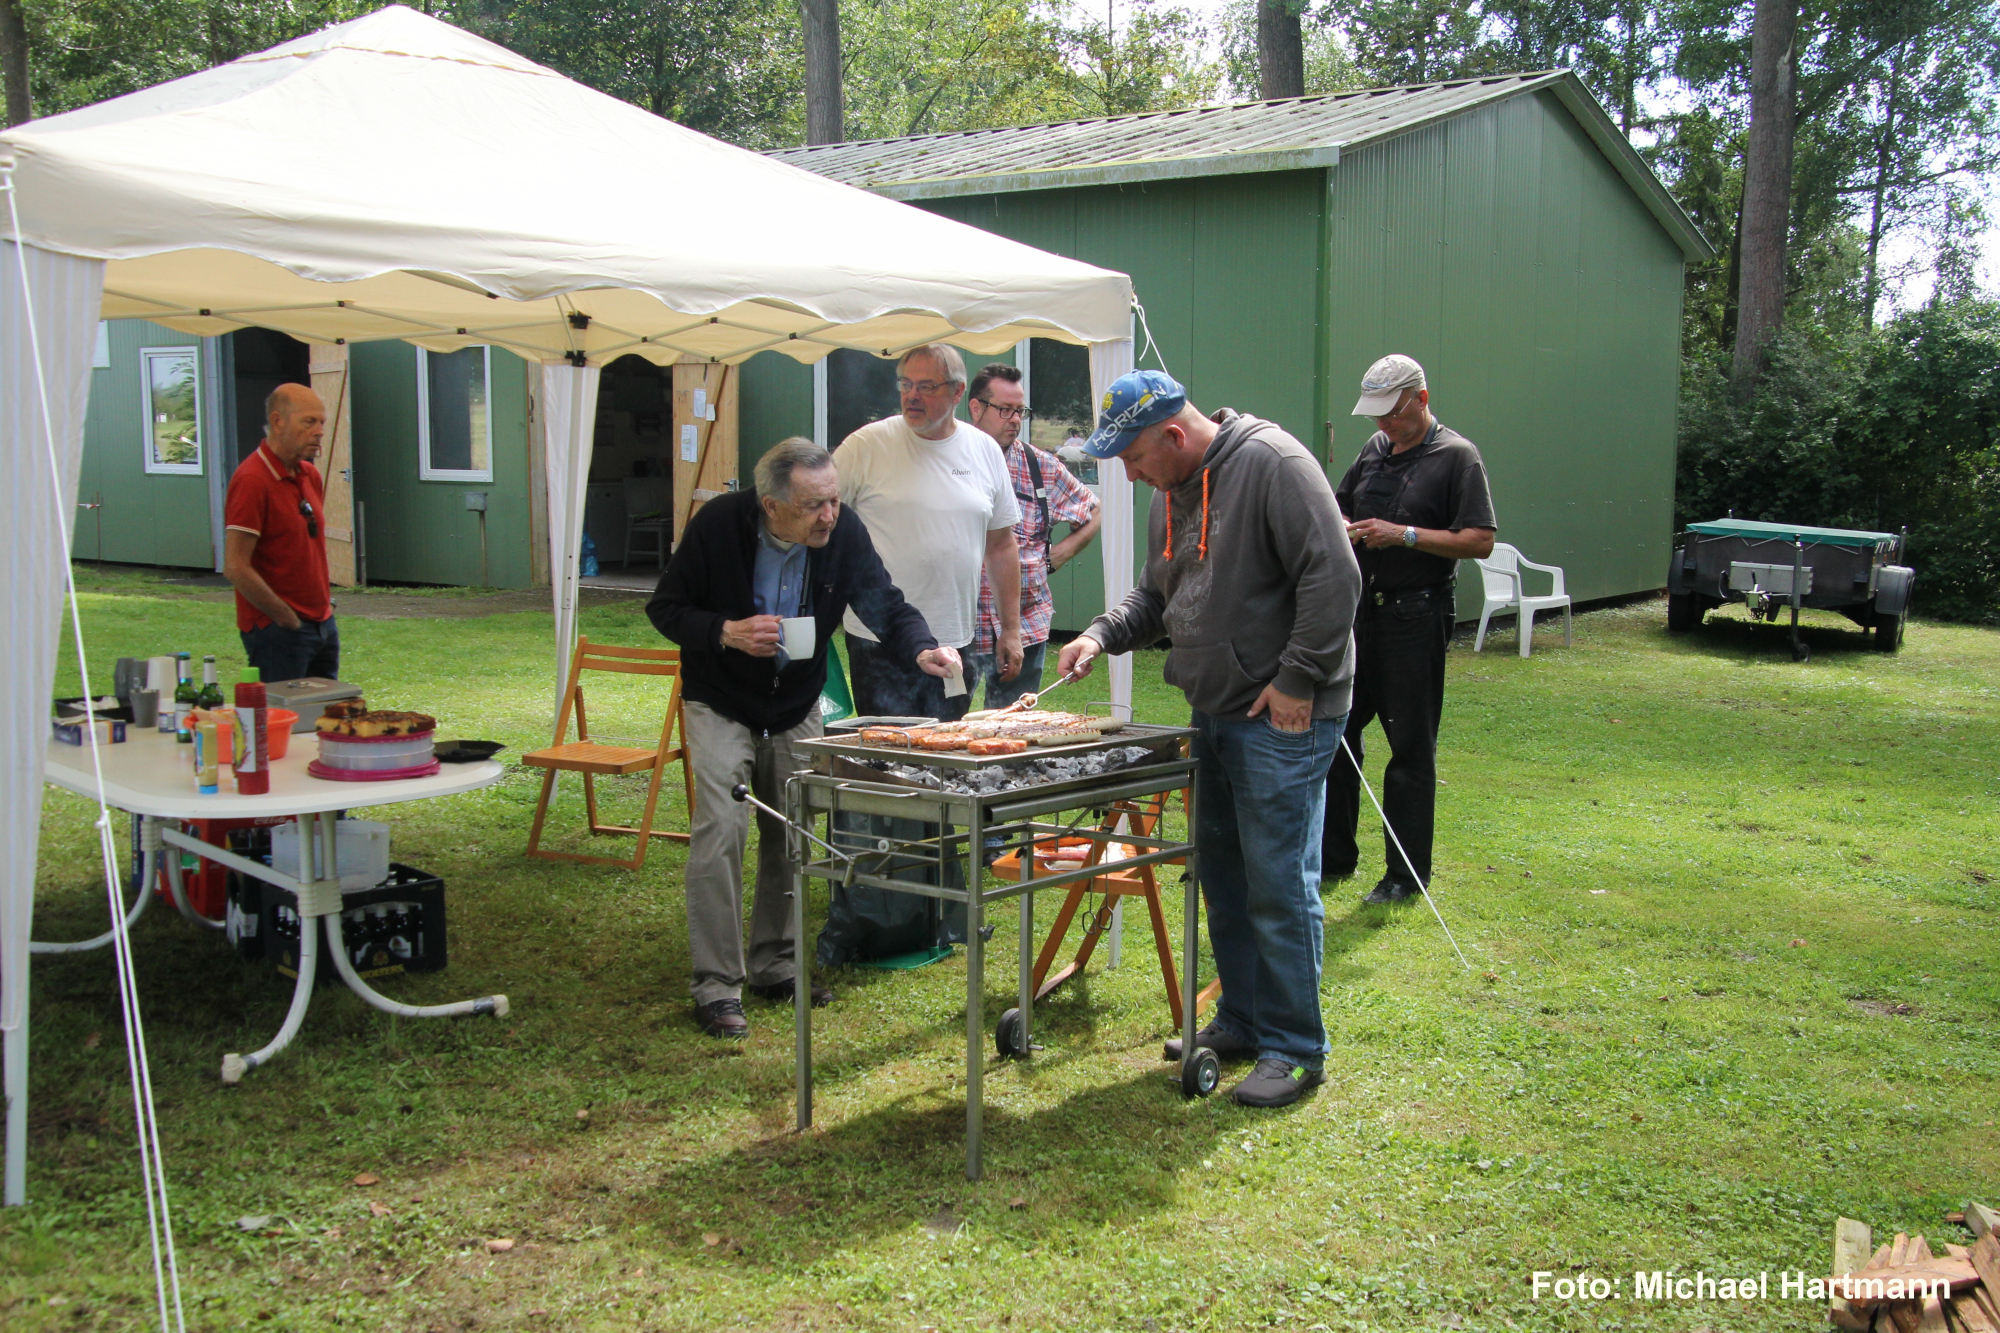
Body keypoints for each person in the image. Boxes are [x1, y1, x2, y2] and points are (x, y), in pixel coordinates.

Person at [1057, 370, 1362, 1108]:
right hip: (1214, 710)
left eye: (1133, 458)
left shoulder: (1274, 464)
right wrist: (1101, 634)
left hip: (1282, 716)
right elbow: (1157, 594)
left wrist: (1297, 678)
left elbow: (1334, 577)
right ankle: (1244, 1020)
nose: (1130, 475)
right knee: (1223, 878)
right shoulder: (1171, 487)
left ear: (1172, 434)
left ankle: (1296, 1049)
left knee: (1279, 885)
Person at [646, 438, 959, 1039]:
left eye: (834, 500)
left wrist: (923, 648)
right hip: (721, 700)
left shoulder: (842, 533)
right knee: (721, 830)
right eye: (814, 505)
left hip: (795, 703)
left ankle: (776, 966)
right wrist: (726, 631)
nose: (829, 516)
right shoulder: (718, 525)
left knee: (793, 832)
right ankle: (717, 986)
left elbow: (886, 604)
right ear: (771, 505)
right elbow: (666, 607)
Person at [1322, 354, 1496, 905]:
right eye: (1376, 416)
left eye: (1393, 414)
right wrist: (1343, 524)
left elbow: (1480, 540)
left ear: (1421, 399)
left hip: (1415, 618)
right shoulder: (1373, 450)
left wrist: (1404, 535)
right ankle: (1333, 858)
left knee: (1409, 749)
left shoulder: (1457, 457)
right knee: (1337, 737)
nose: (1384, 425)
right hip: (1360, 616)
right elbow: (1336, 506)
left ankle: (1405, 875)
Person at [834, 344, 1022, 719]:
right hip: (880, 638)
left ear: (957, 392)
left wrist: (1011, 630)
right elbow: (820, 522)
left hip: (956, 638)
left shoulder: (984, 450)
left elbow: (1001, 546)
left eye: (926, 386)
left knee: (948, 743)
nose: (912, 395)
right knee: (889, 746)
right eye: (906, 384)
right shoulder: (865, 446)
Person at [965, 362, 1101, 709]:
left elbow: (1094, 511)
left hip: (1025, 621)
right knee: (945, 722)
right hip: (962, 623)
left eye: (1020, 411)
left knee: (1011, 725)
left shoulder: (1041, 467)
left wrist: (1056, 557)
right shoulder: (951, 461)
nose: (1014, 419)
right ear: (976, 408)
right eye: (1005, 410)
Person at [223, 383, 337, 683]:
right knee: (281, 710)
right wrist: (284, 617)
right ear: (278, 421)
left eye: (321, 422)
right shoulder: (252, 479)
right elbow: (235, 566)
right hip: (278, 629)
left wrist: (324, 612)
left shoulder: (309, 475)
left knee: (328, 709)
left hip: (321, 623)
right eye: (308, 422)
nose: (319, 432)